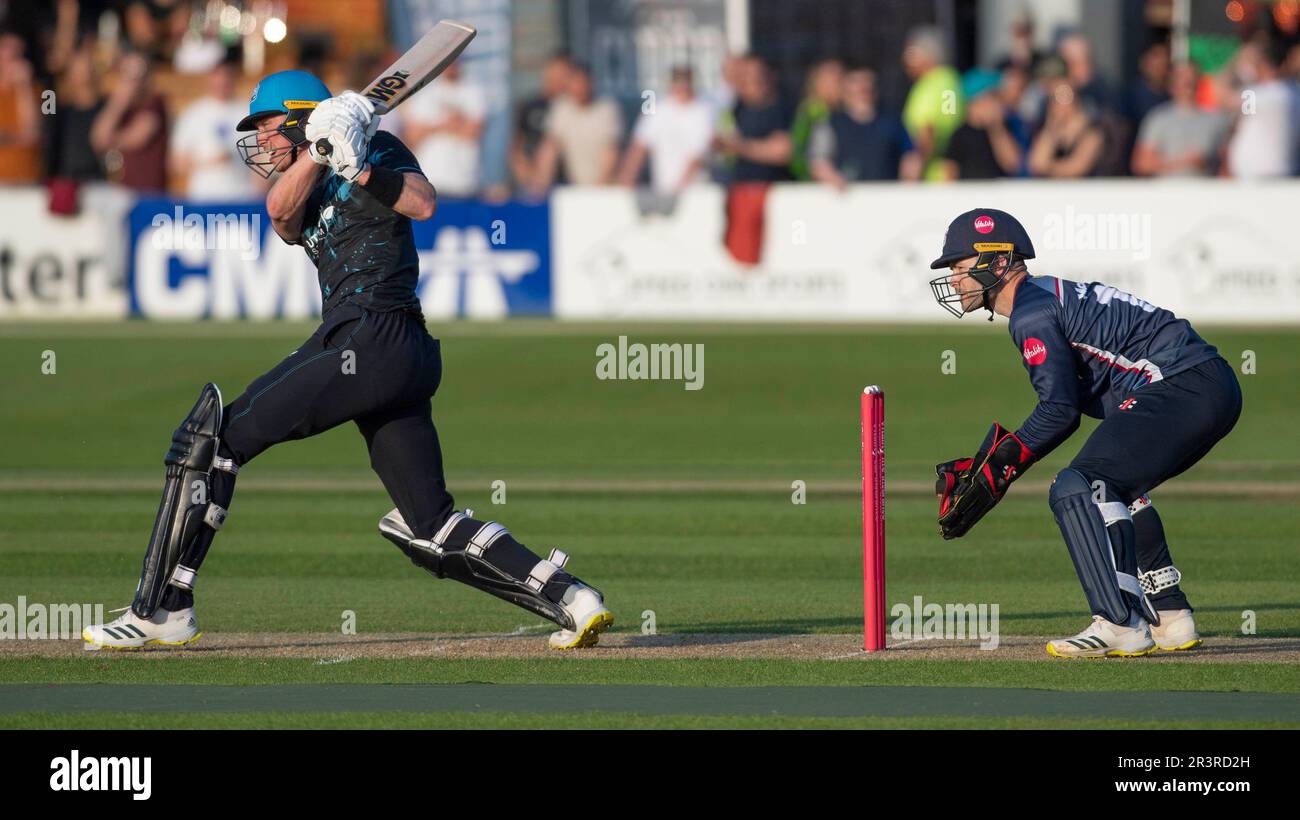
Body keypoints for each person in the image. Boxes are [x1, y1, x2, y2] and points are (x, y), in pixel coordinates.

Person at [82, 69, 613, 653]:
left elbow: (424, 203)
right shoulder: (302, 172)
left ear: (296, 115)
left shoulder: (378, 145)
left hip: (373, 334)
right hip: (389, 354)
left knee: (213, 441)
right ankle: (571, 598)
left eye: (266, 126)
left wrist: (357, 162)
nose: (260, 140)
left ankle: (161, 607)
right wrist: (320, 151)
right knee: (428, 524)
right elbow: (281, 216)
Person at [928, 208, 1240, 658]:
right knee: (1119, 487)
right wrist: (1001, 461)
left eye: (959, 268)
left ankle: (1119, 623)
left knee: (1077, 485)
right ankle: (1171, 616)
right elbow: (1090, 399)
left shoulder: (1031, 314)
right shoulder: (1044, 296)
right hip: (1209, 384)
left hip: (1182, 384)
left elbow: (1059, 411)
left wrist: (999, 469)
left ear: (997, 263)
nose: (954, 280)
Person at [170, 57, 262, 200]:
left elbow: (259, 158)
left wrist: (260, 196)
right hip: (204, 198)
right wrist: (211, 161)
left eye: (228, 75)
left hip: (242, 196)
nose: (223, 81)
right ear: (210, 77)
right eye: (218, 75)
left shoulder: (247, 112)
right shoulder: (194, 113)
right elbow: (178, 164)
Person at [808, 66, 916, 187]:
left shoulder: (892, 121)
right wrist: (832, 178)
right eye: (856, 82)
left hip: (886, 197)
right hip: (846, 199)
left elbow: (910, 156)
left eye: (867, 82)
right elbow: (818, 160)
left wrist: (908, 182)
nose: (862, 87)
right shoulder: (830, 123)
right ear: (845, 88)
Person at [617, 65, 714, 196]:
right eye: (678, 81)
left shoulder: (704, 111)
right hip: (662, 191)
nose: (682, 87)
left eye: (685, 81)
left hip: (696, 193)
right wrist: (625, 183)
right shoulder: (657, 109)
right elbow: (639, 147)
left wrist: (679, 188)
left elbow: (697, 156)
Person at [401, 58, 486, 198]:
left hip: (465, 179)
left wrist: (431, 128)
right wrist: (448, 124)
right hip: (430, 177)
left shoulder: (473, 91)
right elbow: (412, 135)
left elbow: (473, 131)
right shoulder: (424, 92)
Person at [532, 62, 622, 191]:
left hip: (606, 189)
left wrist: (600, 188)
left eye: (583, 83)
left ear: (591, 83)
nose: (579, 88)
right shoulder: (561, 108)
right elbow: (550, 148)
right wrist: (540, 185)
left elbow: (611, 152)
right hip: (575, 189)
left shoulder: (607, 108)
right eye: (575, 83)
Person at [1131, 62, 1228, 177]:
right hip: (1168, 191)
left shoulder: (1217, 119)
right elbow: (1141, 164)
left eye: (1192, 78)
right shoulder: (1158, 118)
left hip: (1206, 191)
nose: (1188, 83)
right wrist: (1183, 162)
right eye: (1182, 79)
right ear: (1172, 84)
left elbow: (1227, 163)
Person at [90, 51, 168, 192]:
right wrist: (119, 101)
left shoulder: (155, 103)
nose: (133, 81)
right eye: (127, 74)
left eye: (137, 75)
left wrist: (111, 140)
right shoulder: (120, 107)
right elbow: (98, 139)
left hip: (147, 193)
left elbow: (136, 138)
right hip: (120, 192)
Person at [1224, 37, 1300, 178]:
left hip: (1262, 179)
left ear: (1263, 65)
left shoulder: (1263, 95)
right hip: (1273, 177)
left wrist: (1236, 63)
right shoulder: (1293, 91)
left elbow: (1222, 97)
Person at [900, 26, 964, 182]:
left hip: (933, 177)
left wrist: (917, 164)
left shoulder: (932, 84)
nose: (906, 60)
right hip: (949, 171)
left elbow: (928, 128)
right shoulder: (950, 80)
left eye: (911, 53)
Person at [939, 70, 1023, 180]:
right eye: (994, 96)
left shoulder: (1006, 127)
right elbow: (949, 173)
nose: (999, 102)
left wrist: (996, 128)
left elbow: (1013, 164)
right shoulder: (959, 135)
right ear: (976, 101)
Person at [510, 53, 570, 191]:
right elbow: (516, 148)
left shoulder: (571, 109)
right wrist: (527, 177)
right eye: (555, 72)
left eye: (564, 74)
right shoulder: (530, 105)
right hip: (532, 182)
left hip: (565, 184)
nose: (559, 79)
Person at [1027, 78, 1103, 177]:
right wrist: (1050, 128)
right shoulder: (1050, 129)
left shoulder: (1091, 131)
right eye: (1054, 99)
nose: (1058, 104)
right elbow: (1036, 164)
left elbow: (1077, 168)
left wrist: (1048, 167)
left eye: (1065, 96)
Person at [788, 58, 842, 180]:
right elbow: (798, 152)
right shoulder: (812, 112)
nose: (840, 84)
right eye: (834, 80)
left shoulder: (843, 112)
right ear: (817, 83)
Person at [0, 30, 40, 184]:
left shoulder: (46, 93)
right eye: (7, 49)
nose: (13, 57)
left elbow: (35, 133)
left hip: (28, 181)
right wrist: (19, 137)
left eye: (18, 52)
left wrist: (24, 88)